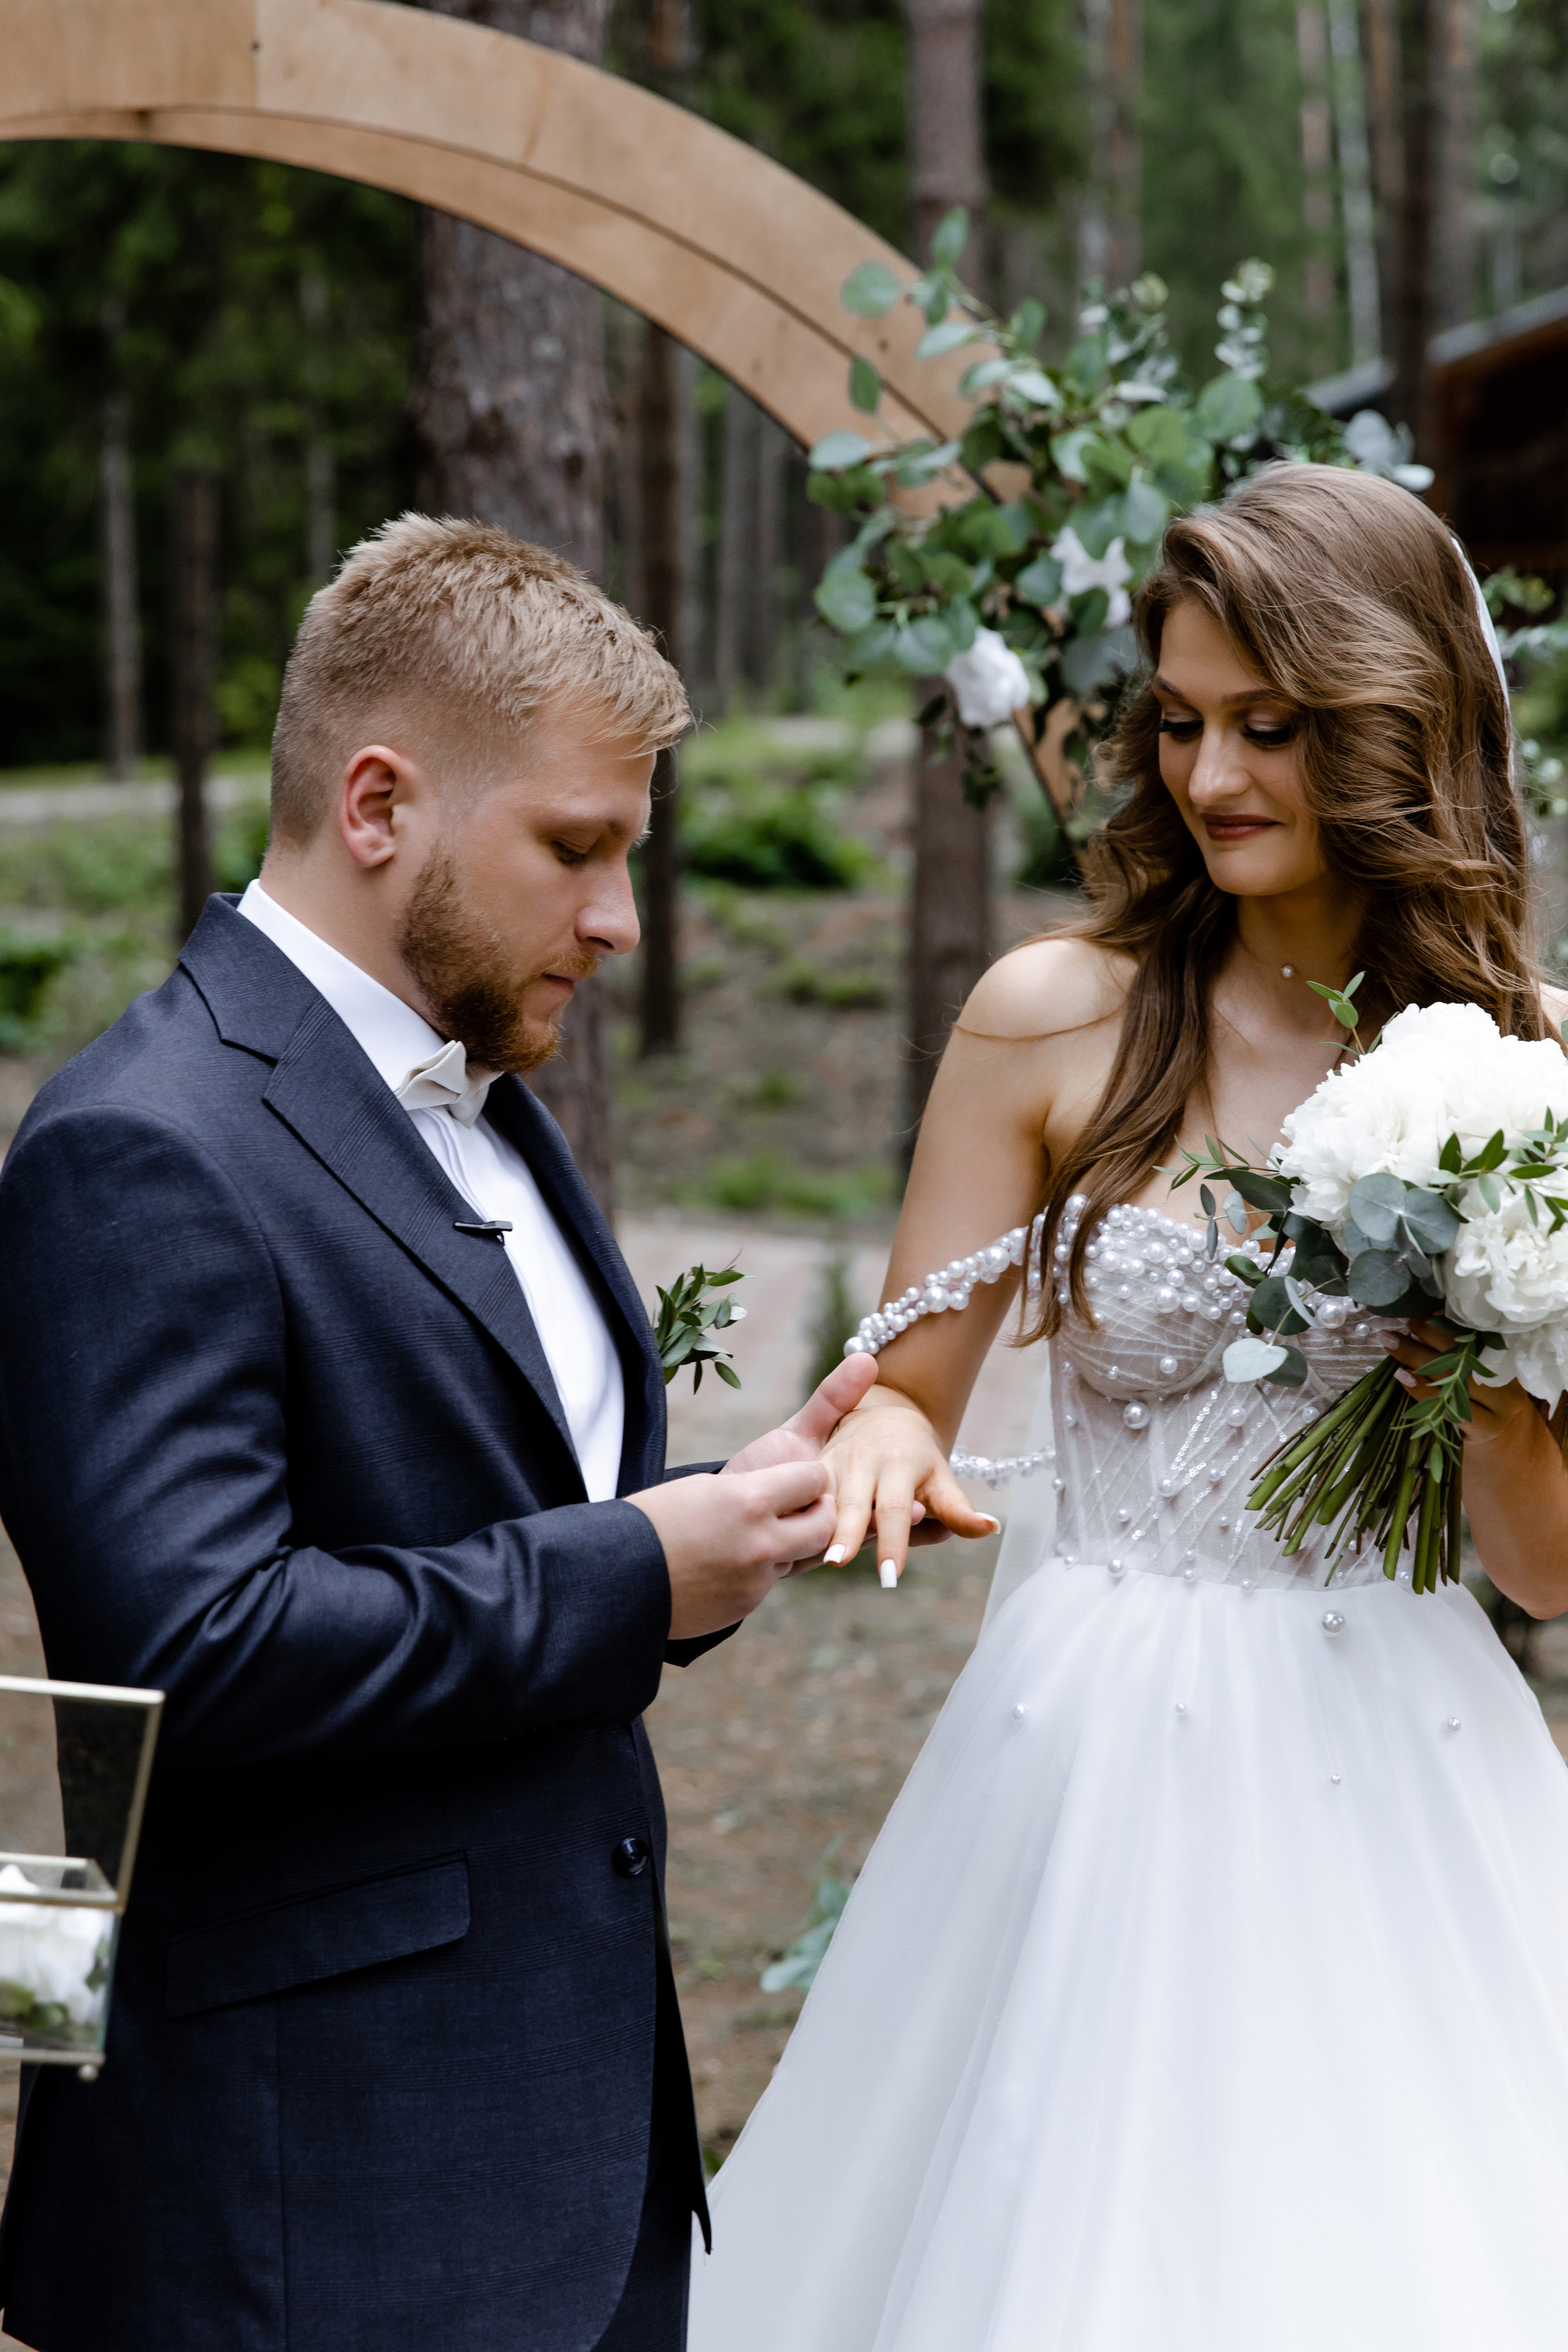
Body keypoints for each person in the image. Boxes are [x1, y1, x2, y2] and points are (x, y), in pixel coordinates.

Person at [688, 464, 1568, 2352]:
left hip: (1399, 1750)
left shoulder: (1530, 1075)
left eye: (1272, 726)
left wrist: (1464, 1348)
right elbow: (907, 1387)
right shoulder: (1053, 1013)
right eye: (1179, 721)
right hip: (1089, 1734)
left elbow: (1548, 1568)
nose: (1212, 773)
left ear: (1394, 724)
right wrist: (888, 1442)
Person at [0, 515, 876, 2352]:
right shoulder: (136, 1144)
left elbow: (479, 1511)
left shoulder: (484, 1101)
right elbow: (180, 1656)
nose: (620, 919)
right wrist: (629, 1569)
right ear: (379, 803)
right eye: (576, 848)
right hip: (304, 2198)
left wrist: (718, 1526)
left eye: (629, 856)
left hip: (564, 2152)